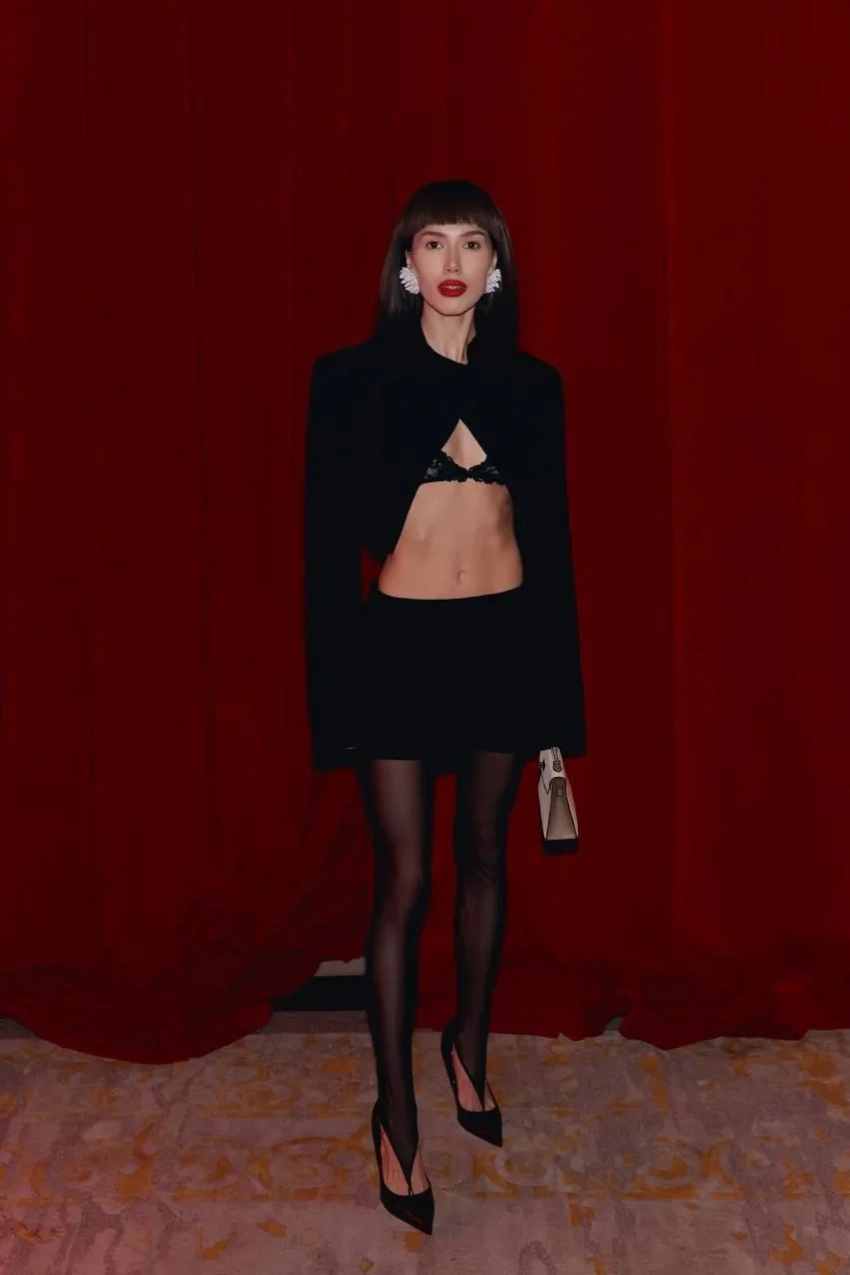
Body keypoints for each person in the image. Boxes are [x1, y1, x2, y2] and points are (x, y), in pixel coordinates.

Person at [303, 179, 585, 1234]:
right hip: (399, 650)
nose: (453, 261)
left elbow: (553, 552)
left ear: (495, 268)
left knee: (484, 855)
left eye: (473, 243)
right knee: (406, 878)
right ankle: (396, 1113)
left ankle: (468, 1044)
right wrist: (331, 692)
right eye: (434, 242)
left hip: (505, 642)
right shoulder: (351, 380)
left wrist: (559, 702)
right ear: (406, 265)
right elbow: (324, 548)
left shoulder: (534, 387)